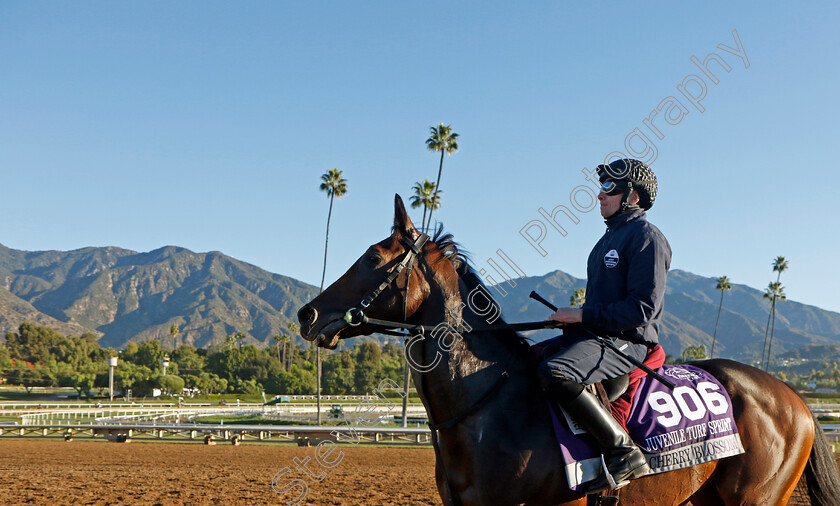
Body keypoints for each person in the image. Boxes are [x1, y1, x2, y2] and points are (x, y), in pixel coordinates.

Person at [538, 158, 671, 491]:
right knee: (524, 359)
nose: (600, 195)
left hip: (630, 344)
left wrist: (582, 315)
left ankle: (623, 452)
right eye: (601, 186)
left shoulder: (647, 238)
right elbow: (603, 306)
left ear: (634, 197)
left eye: (609, 188)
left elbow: (642, 309)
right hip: (597, 337)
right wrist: (571, 322)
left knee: (556, 372)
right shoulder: (606, 241)